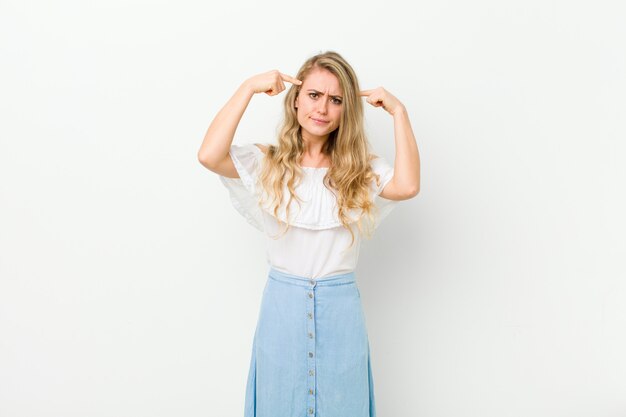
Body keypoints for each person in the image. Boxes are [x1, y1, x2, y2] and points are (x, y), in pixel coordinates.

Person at [198, 51, 420, 417]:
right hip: (282, 308)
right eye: (314, 95)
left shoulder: (359, 170)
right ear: (296, 99)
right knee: (277, 402)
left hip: (341, 310)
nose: (323, 108)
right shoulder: (267, 161)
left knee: (342, 403)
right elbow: (209, 155)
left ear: (346, 109)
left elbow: (408, 185)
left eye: (336, 100)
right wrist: (248, 88)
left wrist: (399, 113)